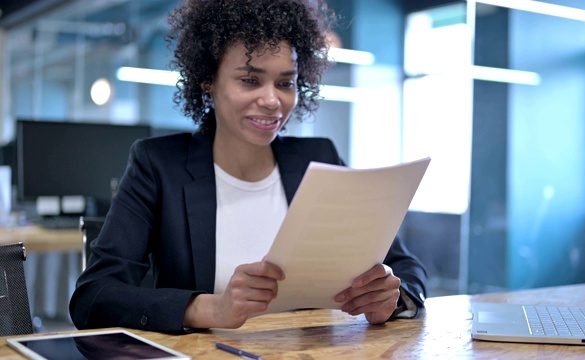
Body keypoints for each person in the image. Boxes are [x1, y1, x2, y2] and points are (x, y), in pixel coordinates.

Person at [70, 0, 428, 333]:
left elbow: (405, 268)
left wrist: (390, 298)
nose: (272, 100)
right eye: (250, 80)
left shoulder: (318, 159)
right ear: (208, 81)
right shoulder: (159, 166)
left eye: (285, 83)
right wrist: (210, 309)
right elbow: (94, 296)